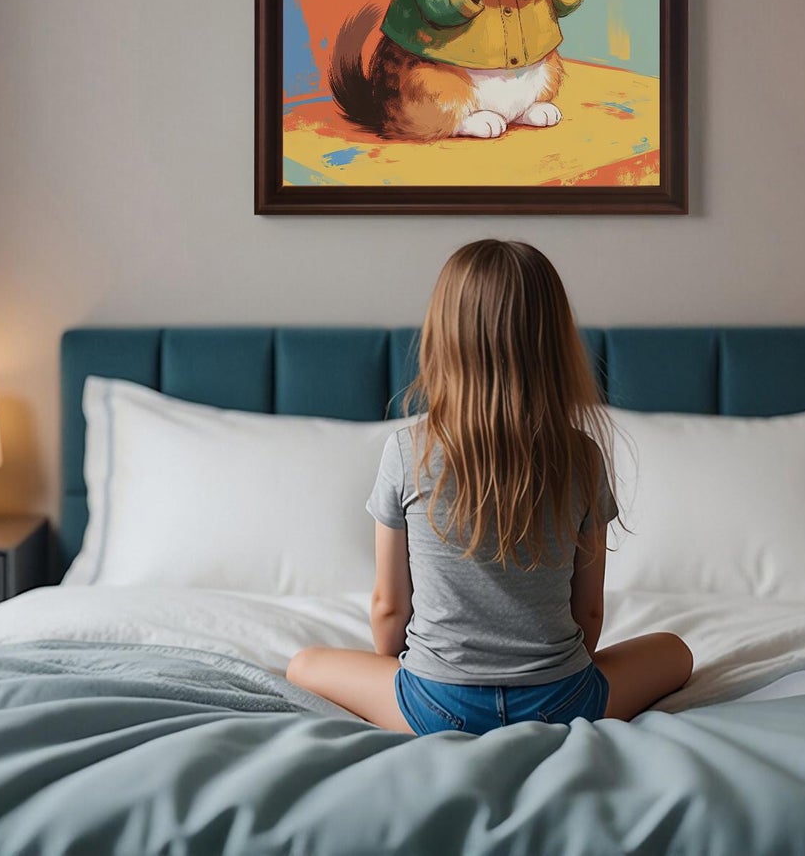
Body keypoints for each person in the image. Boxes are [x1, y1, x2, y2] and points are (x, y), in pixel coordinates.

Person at [287, 239, 693, 735]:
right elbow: (587, 609)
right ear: (554, 342)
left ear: (444, 334)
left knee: (303, 665)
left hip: (435, 704)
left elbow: (390, 607)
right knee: (676, 651)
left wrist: (400, 676)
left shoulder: (407, 451)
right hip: (562, 700)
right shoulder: (582, 455)